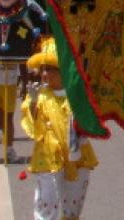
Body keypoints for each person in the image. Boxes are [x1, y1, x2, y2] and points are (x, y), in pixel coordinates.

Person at [21, 37, 98, 220]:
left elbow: (92, 120)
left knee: (73, 205)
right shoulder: (39, 95)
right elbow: (32, 125)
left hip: (76, 154)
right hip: (48, 157)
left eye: (50, 69)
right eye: (43, 69)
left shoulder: (78, 95)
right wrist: (32, 103)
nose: (45, 74)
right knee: (47, 203)